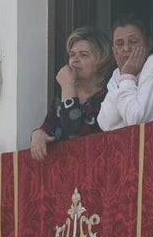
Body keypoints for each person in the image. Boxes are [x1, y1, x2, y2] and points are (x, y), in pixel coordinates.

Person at [30, 26, 111, 162]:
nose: (74, 60)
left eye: (83, 55)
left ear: (101, 62)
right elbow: (47, 129)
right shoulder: (61, 98)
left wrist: (68, 86)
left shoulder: (108, 96)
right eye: (72, 55)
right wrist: (37, 134)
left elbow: (75, 135)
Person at [97, 15, 153, 131]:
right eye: (120, 44)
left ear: (149, 43)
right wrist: (124, 76)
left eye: (133, 41)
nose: (126, 48)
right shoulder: (118, 74)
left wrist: (127, 77)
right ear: (114, 51)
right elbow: (106, 124)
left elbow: (135, 120)